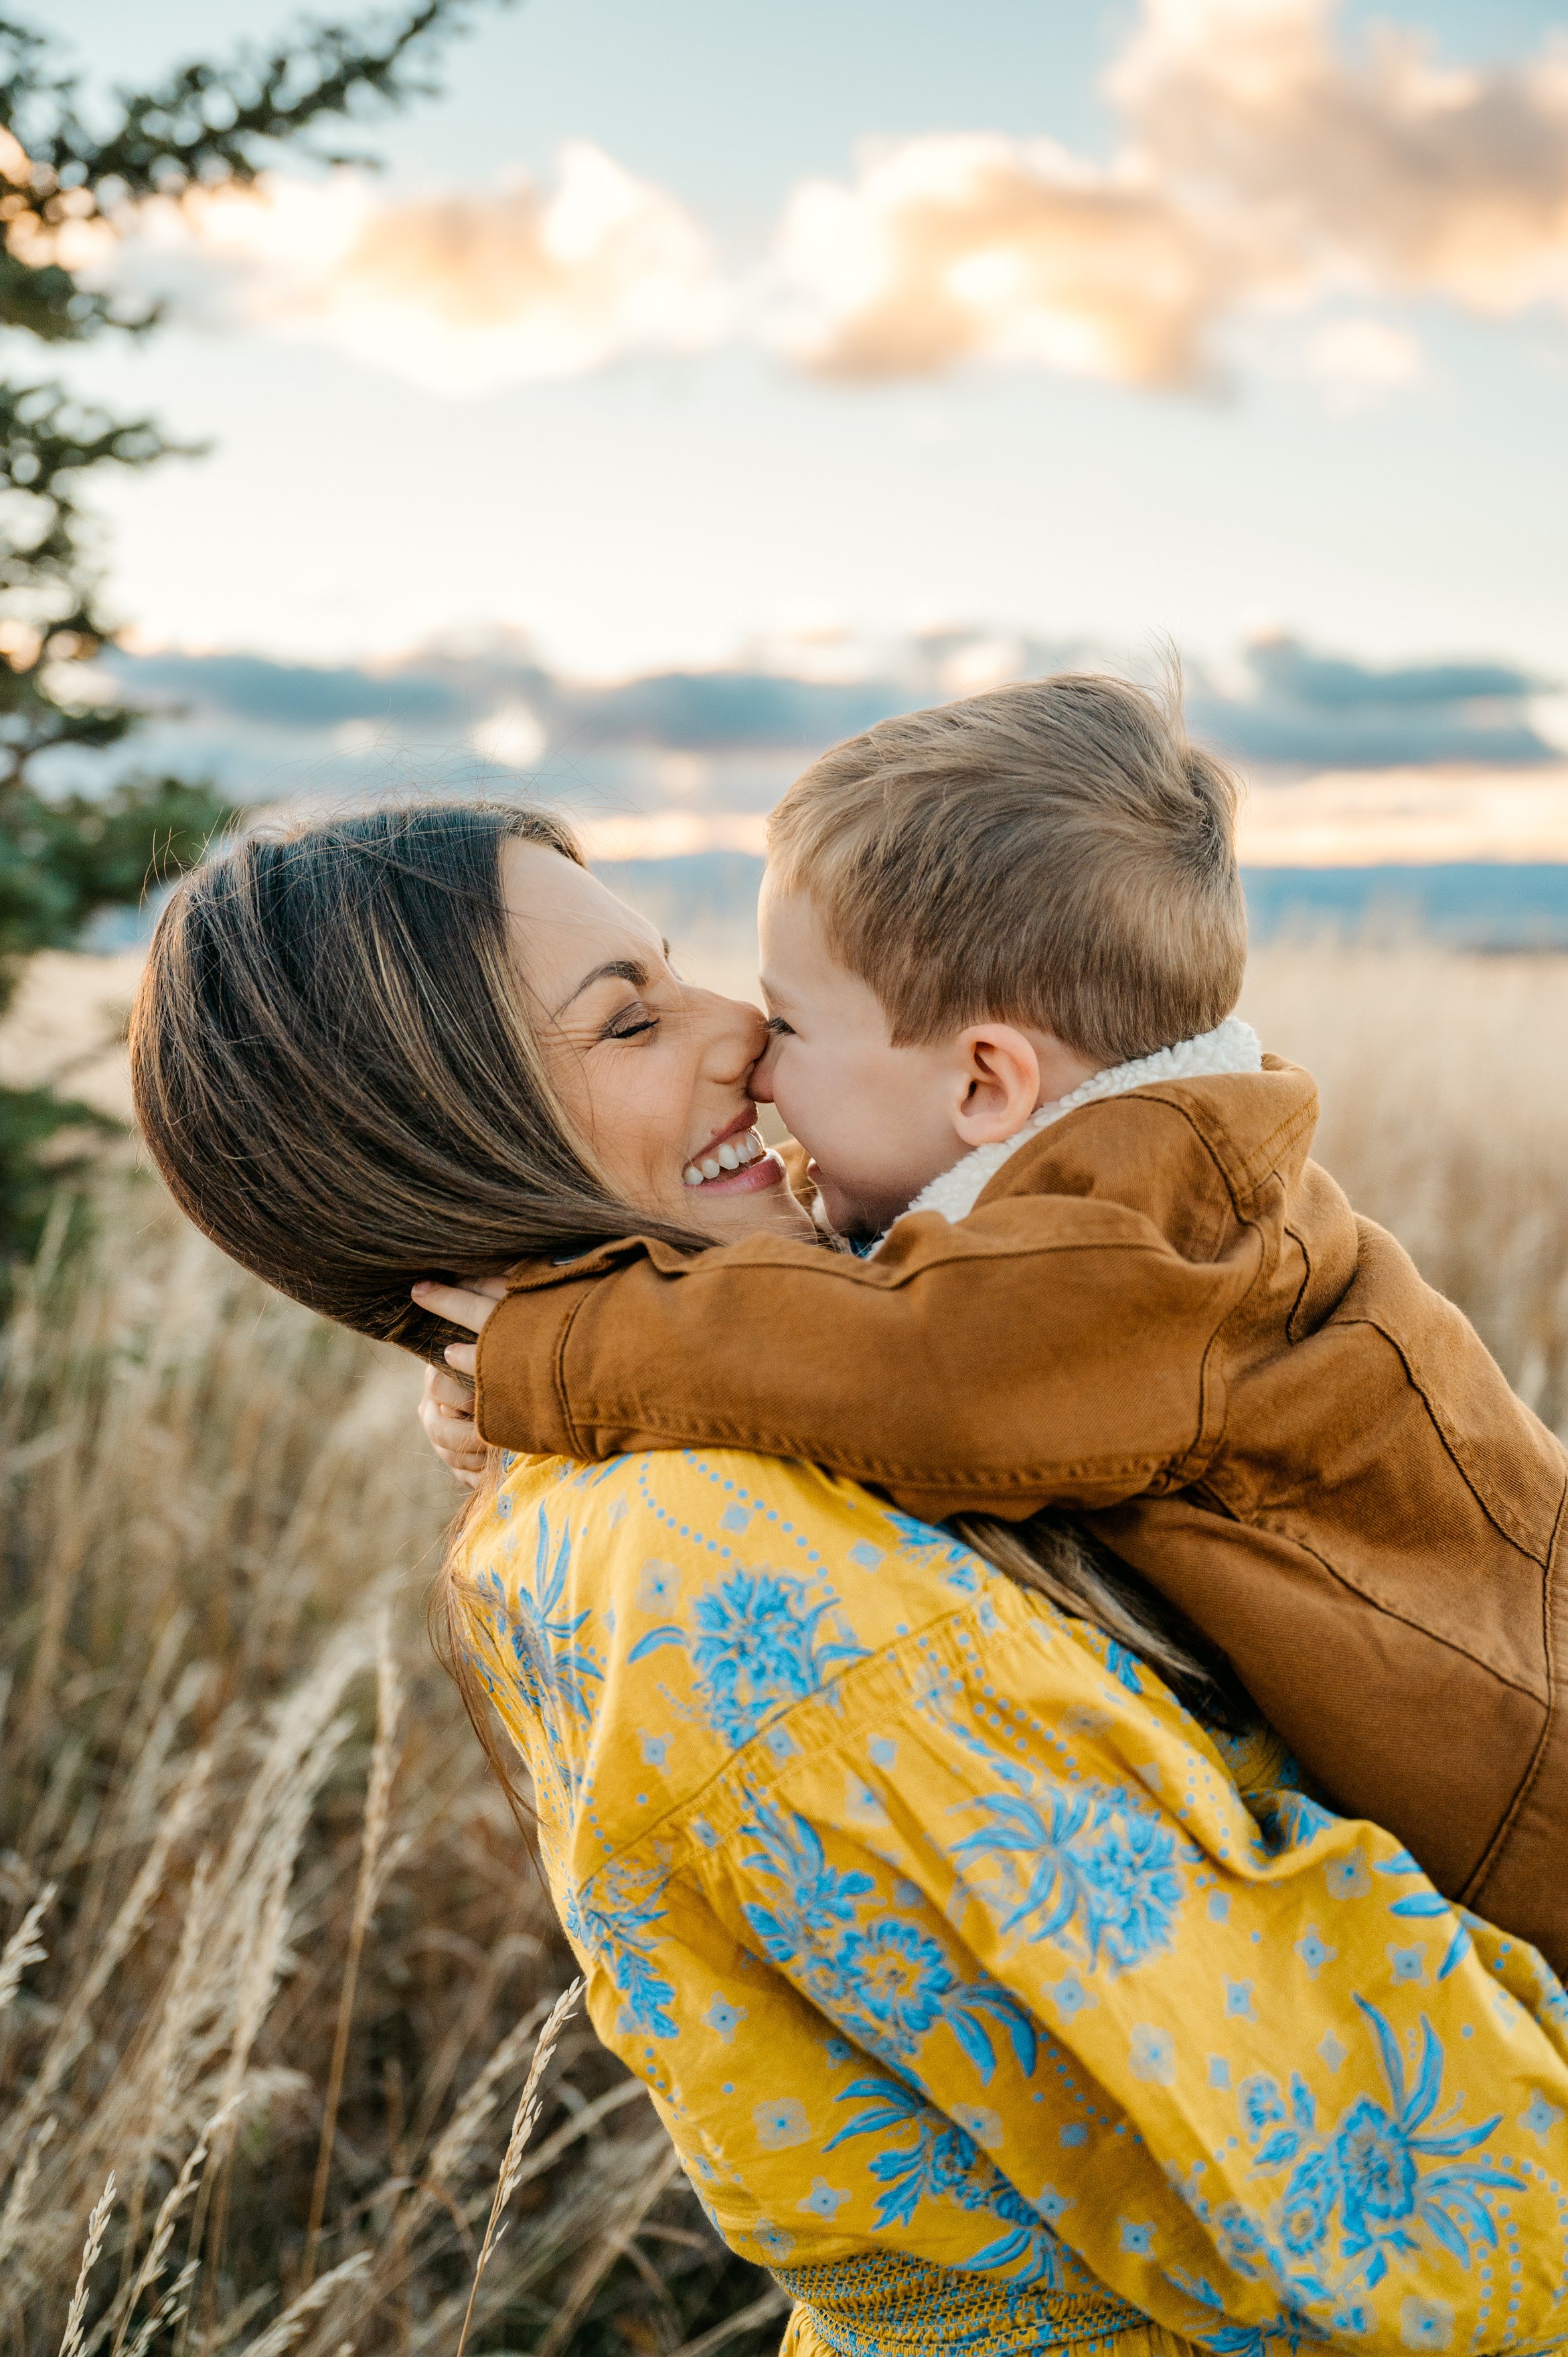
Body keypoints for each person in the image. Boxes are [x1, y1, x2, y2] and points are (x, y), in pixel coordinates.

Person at [130, 802, 1568, 2356]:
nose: (744, 1026)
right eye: (629, 1017)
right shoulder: (714, 1550)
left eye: (677, 973)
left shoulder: (715, 1420)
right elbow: (1398, 2195)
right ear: (434, 1131)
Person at [414, 678, 1568, 1979]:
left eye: (790, 1021)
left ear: (984, 1081)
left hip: (1524, 1822)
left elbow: (926, 1372)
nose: (755, 1050)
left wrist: (559, 1352)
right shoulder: (1128, 1178)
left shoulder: (1130, 1249)